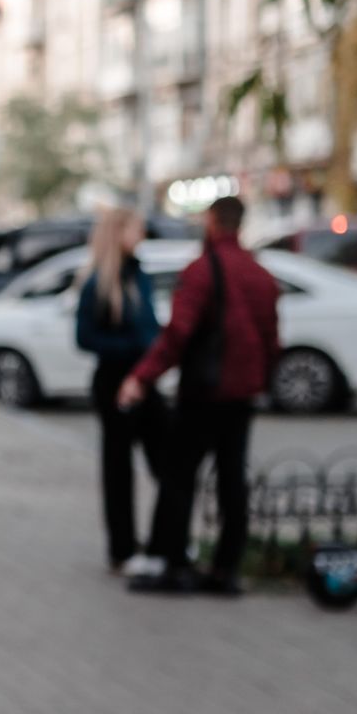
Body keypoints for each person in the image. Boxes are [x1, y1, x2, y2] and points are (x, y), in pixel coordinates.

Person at [118, 195, 281, 595]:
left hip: (203, 393)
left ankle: (173, 565)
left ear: (211, 222)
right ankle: (226, 570)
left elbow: (177, 335)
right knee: (231, 480)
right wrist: (260, 382)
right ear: (239, 225)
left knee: (178, 476)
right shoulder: (260, 275)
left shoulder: (201, 271)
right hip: (241, 396)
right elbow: (271, 340)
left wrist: (142, 376)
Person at [75, 206, 168, 575]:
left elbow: (150, 324)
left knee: (166, 459)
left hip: (144, 379)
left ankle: (166, 542)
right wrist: (130, 348)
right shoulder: (99, 281)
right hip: (114, 382)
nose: (142, 236)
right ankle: (123, 549)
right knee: (118, 468)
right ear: (119, 233)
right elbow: (84, 337)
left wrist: (156, 347)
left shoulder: (139, 275)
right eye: (136, 229)